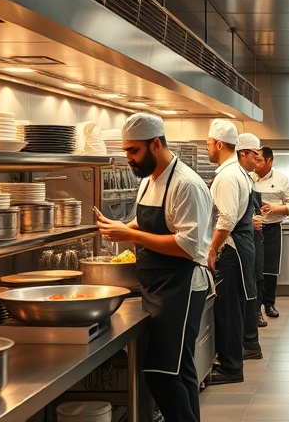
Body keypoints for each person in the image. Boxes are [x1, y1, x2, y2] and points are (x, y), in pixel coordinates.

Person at [95, 113, 212, 422]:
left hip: (181, 287)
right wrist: (123, 227)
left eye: (133, 151)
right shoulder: (149, 180)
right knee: (181, 371)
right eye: (126, 151)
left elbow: (188, 247)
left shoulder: (186, 185)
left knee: (161, 374)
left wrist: (130, 235)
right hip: (158, 287)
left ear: (156, 144)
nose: (128, 158)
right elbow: (147, 222)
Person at [205, 119, 257, 385]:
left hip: (231, 249)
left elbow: (225, 219)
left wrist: (212, 250)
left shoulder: (227, 176)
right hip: (241, 247)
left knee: (228, 310)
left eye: (208, 144)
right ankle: (230, 362)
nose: (207, 149)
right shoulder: (238, 173)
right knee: (232, 308)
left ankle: (230, 367)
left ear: (219, 144)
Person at [252, 146, 289, 319]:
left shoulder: (281, 179)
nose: (254, 163)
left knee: (270, 269)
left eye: (258, 160)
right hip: (251, 231)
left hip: (272, 229)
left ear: (269, 161)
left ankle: (269, 304)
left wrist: (277, 208)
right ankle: (255, 308)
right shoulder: (246, 177)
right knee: (254, 269)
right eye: (253, 159)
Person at [235, 132, 266, 359]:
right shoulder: (239, 177)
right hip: (245, 240)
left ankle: (250, 342)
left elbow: (227, 219)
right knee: (249, 288)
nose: (258, 159)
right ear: (242, 153)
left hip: (245, 242)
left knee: (251, 288)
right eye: (255, 155)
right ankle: (250, 342)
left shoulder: (242, 177)